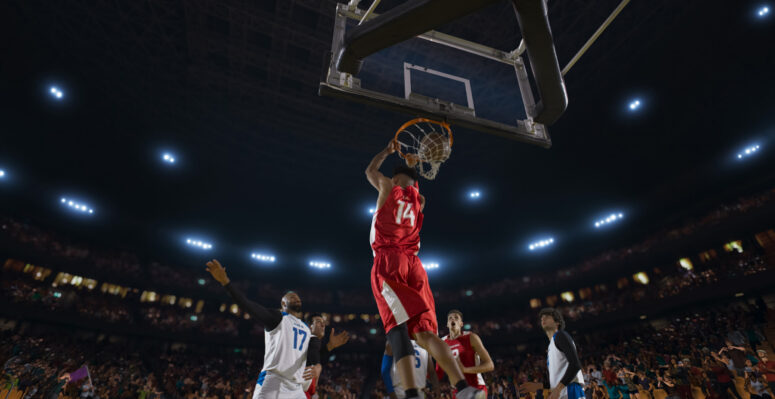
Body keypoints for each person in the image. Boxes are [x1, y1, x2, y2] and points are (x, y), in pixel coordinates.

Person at [365, 141, 484, 399]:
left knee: (396, 329)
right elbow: (414, 187)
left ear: (395, 177)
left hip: (389, 259)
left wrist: (385, 151)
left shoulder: (387, 186)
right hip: (415, 265)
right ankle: (463, 388)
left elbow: (370, 172)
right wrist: (413, 166)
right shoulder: (421, 199)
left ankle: (411, 393)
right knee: (426, 333)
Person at [206, 259, 321, 399]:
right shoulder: (277, 317)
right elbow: (247, 304)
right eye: (291, 296)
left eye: (297, 297)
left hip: (295, 386)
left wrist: (317, 366)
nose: (296, 298)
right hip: (274, 381)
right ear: (283, 303)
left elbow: (311, 353)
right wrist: (226, 282)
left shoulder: (306, 327)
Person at [437, 310, 494, 397]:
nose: (453, 319)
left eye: (456, 318)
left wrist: (465, 370)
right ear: (447, 324)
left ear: (461, 324)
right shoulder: (442, 342)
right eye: (450, 318)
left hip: (476, 387)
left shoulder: (471, 337)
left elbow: (490, 365)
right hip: (457, 391)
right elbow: (438, 372)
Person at [539, 308, 585, 399]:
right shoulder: (550, 345)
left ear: (557, 322)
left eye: (547, 317)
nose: (543, 319)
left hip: (570, 390)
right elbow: (558, 376)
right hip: (561, 393)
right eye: (541, 318)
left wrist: (558, 389)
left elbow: (575, 365)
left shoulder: (560, 336)